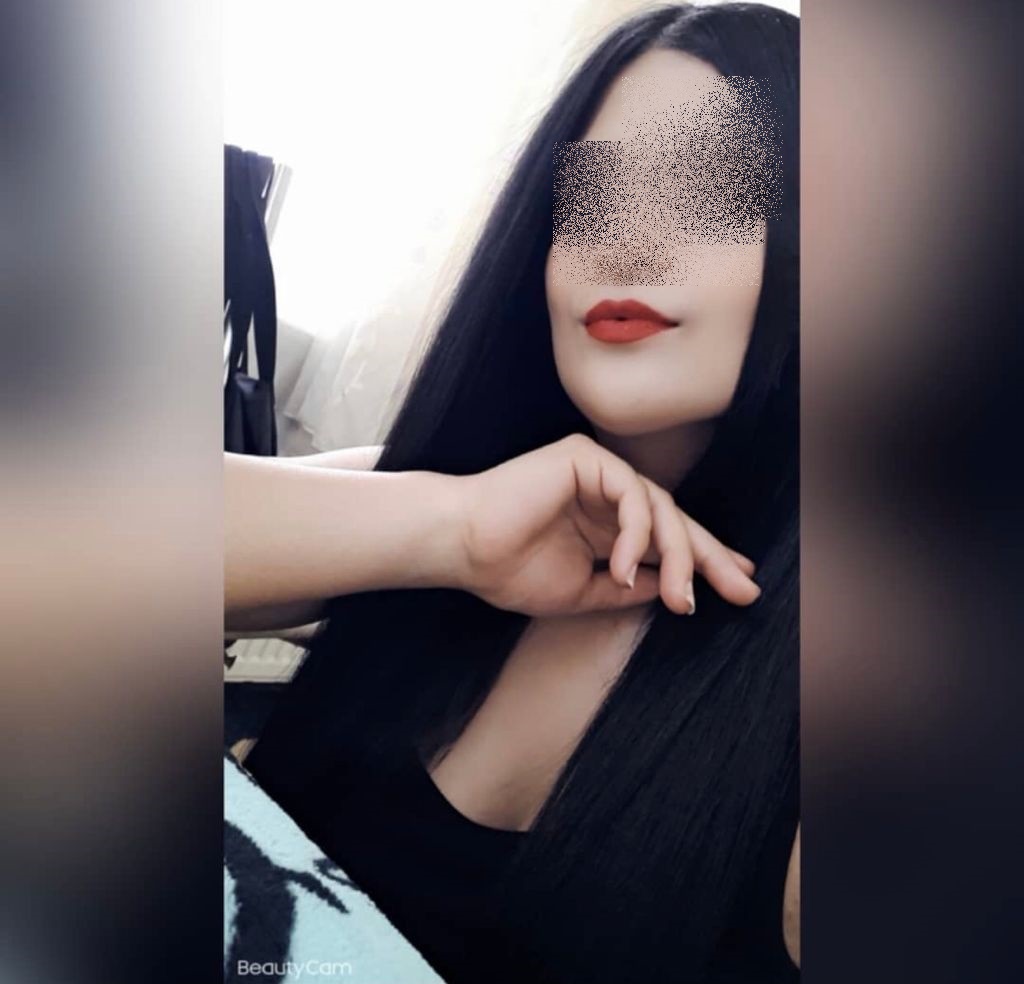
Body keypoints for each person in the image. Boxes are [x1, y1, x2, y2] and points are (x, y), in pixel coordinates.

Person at [238, 4, 800, 982]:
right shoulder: (455, 501)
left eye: (706, 191)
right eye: (588, 202)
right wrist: (448, 533)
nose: (622, 247)